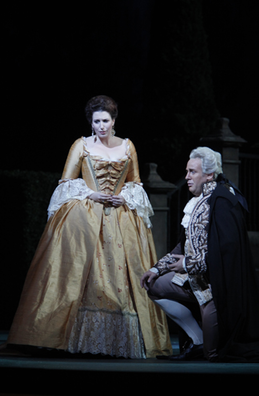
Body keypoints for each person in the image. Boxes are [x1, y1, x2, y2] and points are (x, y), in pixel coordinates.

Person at [7, 95, 172, 359]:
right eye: (97, 121)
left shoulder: (128, 146)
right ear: (91, 122)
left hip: (121, 218)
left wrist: (124, 197)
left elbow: (136, 184)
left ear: (114, 120)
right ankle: (75, 339)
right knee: (84, 273)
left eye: (106, 120)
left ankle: (122, 341)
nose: (102, 126)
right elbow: (65, 182)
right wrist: (91, 194)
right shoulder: (81, 146)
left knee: (122, 278)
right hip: (85, 217)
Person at [140, 147, 259, 363]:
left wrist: (189, 264)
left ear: (209, 175)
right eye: (187, 171)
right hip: (195, 283)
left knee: (218, 354)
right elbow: (184, 245)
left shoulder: (223, 201)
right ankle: (198, 341)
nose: (186, 177)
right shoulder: (197, 202)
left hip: (217, 291)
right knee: (154, 285)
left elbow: (227, 251)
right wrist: (157, 269)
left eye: (192, 172)